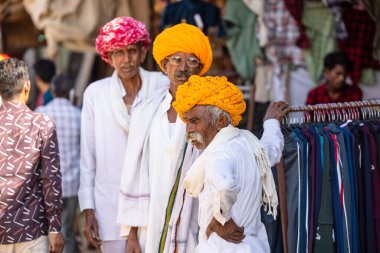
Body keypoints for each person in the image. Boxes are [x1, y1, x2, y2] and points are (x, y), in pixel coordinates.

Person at [118, 23, 244, 253]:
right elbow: (132, 173)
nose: (183, 67)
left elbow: (224, 168)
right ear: (164, 65)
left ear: (199, 69)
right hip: (149, 224)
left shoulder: (211, 113)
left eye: (192, 61)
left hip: (196, 221)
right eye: (176, 59)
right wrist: (132, 235)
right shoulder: (146, 111)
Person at [78, 16, 168, 253]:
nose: (126, 60)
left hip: (153, 203)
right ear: (109, 57)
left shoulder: (161, 86)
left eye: (131, 51)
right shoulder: (95, 94)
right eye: (118, 53)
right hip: (109, 207)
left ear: (143, 52)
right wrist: (88, 210)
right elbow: (88, 158)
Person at [172, 75, 290, 252]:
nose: (189, 129)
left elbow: (224, 185)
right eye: (187, 121)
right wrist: (271, 122)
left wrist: (221, 221)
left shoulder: (219, 153)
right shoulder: (248, 143)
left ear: (220, 121)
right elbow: (272, 150)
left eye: (194, 121)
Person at [0, 58, 64, 253]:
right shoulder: (42, 124)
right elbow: (50, 180)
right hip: (33, 230)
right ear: (27, 86)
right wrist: (55, 227)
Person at [36, 74, 81, 253]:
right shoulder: (79, 114)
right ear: (70, 92)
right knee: (67, 233)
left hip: (46, 185)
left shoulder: (40, 113)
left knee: (49, 233)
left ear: (53, 91)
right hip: (72, 183)